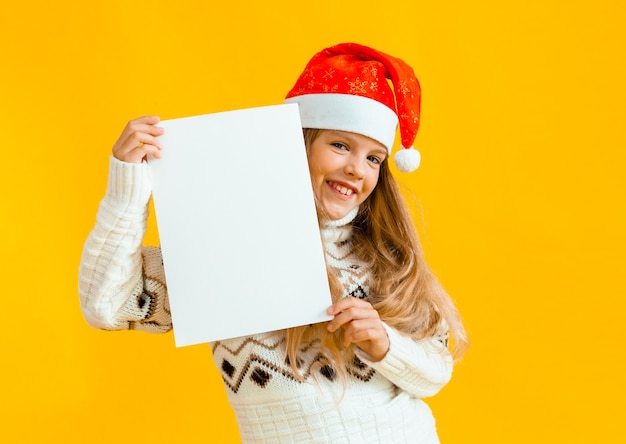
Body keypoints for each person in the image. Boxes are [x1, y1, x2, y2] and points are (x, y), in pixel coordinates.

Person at [79, 42, 468, 443]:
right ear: (301, 144)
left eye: (374, 158)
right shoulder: (222, 247)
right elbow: (106, 305)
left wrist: (385, 343)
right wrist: (127, 191)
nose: (356, 169)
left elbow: (436, 372)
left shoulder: (385, 256)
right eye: (340, 145)